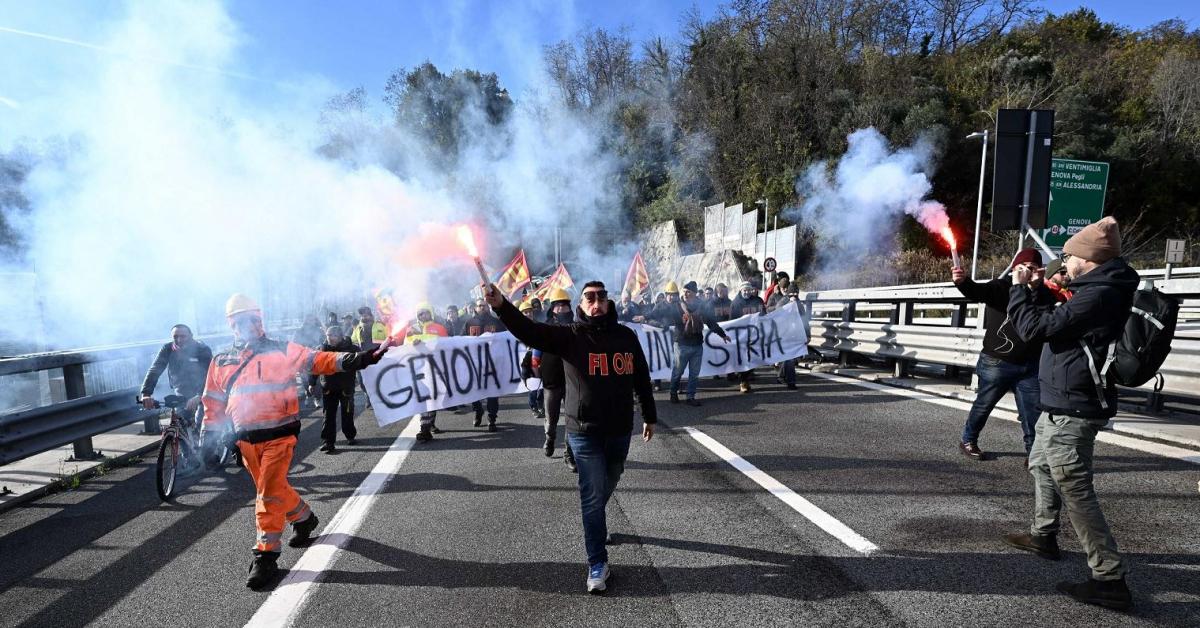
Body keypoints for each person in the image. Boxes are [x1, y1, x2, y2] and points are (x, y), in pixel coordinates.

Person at [201, 294, 386, 590]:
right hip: (245, 441)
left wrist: (357, 359)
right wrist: (207, 437)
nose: (249, 326)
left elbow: (318, 360)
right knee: (272, 488)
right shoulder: (221, 360)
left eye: (254, 319)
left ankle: (266, 556)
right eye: (242, 321)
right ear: (232, 325)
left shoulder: (282, 349)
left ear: (260, 321)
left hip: (280, 435)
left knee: (268, 494)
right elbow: (211, 400)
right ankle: (304, 518)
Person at [486, 279, 656, 595]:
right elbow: (529, 331)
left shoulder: (626, 336)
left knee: (611, 479)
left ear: (608, 302)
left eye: (601, 297)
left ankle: (597, 523)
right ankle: (597, 563)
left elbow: (641, 377)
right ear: (581, 304)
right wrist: (502, 306)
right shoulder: (569, 337)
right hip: (583, 433)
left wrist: (649, 415)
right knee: (591, 497)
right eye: (589, 297)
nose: (596, 302)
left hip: (620, 430)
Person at [1002, 217, 1138, 610]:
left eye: (1069, 257)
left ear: (1088, 259)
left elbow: (1035, 330)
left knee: (1075, 488)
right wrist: (1035, 289)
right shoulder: (1096, 288)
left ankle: (1109, 578)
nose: (1066, 263)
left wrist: (1018, 291)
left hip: (1075, 403)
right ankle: (1043, 536)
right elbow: (1058, 324)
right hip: (1060, 398)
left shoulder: (1100, 294)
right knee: (1040, 464)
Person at [951, 248, 1054, 459]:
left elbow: (1046, 316)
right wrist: (962, 282)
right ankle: (968, 439)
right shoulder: (1001, 287)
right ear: (1014, 268)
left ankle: (1034, 455)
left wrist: (1034, 286)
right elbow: (977, 292)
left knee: (1032, 413)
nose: (1026, 272)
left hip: (1029, 364)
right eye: (1022, 268)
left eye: (1032, 268)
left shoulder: (1044, 293)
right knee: (984, 404)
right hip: (997, 361)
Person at [647, 280, 730, 406]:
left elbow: (710, 322)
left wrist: (722, 334)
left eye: (688, 292)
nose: (685, 294)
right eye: (684, 291)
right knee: (678, 372)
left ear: (695, 294)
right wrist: (645, 317)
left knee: (694, 374)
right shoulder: (677, 306)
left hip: (697, 345)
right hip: (681, 345)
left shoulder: (701, 307)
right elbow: (658, 313)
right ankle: (673, 393)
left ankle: (690, 397)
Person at [140, 324, 213, 437]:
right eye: (175, 337)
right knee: (180, 424)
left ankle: (205, 450)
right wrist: (146, 393)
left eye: (183, 336)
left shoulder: (202, 350)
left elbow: (210, 374)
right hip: (181, 389)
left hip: (203, 390)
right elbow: (155, 370)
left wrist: (199, 395)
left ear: (191, 336)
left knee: (202, 424)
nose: (179, 340)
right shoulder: (168, 349)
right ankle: (186, 454)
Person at [534, 288, 577, 472]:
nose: (562, 309)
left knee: (571, 419)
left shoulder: (576, 327)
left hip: (572, 382)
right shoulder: (545, 328)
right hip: (551, 382)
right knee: (551, 419)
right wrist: (537, 369)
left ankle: (569, 453)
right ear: (552, 308)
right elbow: (536, 352)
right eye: (558, 306)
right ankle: (550, 439)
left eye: (565, 305)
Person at [396, 302, 450, 442]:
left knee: (434, 398)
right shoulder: (411, 329)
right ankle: (424, 428)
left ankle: (429, 423)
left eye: (425, 312)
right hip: (418, 370)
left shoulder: (439, 328)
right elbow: (405, 349)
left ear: (430, 313)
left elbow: (447, 347)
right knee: (425, 399)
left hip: (436, 368)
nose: (422, 315)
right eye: (419, 313)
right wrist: (412, 344)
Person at [307, 326, 360, 453]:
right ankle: (328, 442)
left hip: (346, 387)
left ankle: (350, 435)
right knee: (328, 415)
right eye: (328, 335)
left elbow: (364, 360)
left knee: (347, 414)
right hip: (328, 388)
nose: (330, 338)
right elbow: (314, 367)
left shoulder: (351, 349)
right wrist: (312, 383)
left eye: (333, 335)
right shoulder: (321, 350)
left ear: (340, 336)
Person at [464, 297, 505, 431]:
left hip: (492, 363)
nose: (482, 308)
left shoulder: (496, 322)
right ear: (475, 308)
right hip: (475, 364)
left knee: (493, 392)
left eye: (484, 305)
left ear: (488, 307)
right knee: (475, 391)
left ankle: (492, 418)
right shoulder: (469, 323)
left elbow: (506, 339)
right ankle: (478, 411)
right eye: (480, 306)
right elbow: (460, 340)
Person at [730, 282, 766, 393]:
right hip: (742, 335)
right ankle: (743, 381)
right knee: (744, 358)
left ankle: (746, 378)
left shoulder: (758, 301)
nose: (746, 292)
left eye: (748, 290)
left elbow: (764, 314)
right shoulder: (735, 303)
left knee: (754, 357)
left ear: (751, 290)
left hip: (755, 334)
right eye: (744, 290)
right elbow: (732, 320)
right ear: (740, 290)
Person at [520, 300, 546, 419]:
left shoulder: (538, 326)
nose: (528, 314)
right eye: (525, 312)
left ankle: (541, 405)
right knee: (532, 386)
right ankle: (534, 407)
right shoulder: (517, 328)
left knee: (541, 385)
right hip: (525, 362)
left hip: (538, 359)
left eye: (529, 312)